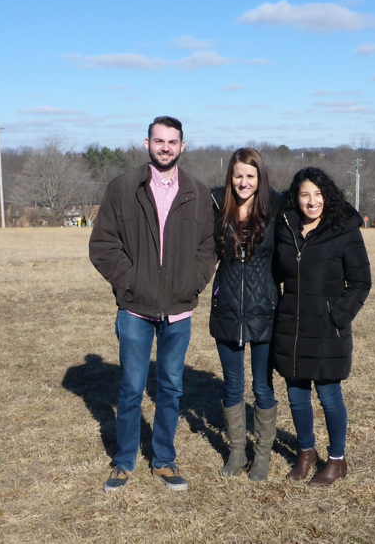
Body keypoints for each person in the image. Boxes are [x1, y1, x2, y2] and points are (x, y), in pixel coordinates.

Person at [89, 116, 215, 493]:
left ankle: (163, 459)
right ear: (146, 143)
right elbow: (103, 245)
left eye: (172, 141)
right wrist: (131, 283)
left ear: (182, 146)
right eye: (159, 140)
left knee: (172, 387)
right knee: (131, 386)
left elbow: (207, 247)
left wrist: (192, 282)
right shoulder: (122, 188)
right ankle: (124, 461)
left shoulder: (196, 190)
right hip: (135, 308)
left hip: (178, 310)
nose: (165, 147)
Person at [272, 167, 371, 487]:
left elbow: (360, 282)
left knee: (329, 396)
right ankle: (305, 453)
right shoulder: (286, 227)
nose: (312, 201)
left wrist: (337, 317)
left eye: (318, 194)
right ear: (296, 198)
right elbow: (276, 272)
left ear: (327, 196)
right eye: (305, 194)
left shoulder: (343, 229)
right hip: (292, 326)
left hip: (328, 328)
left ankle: (337, 460)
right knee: (297, 395)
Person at [209, 148, 282, 481]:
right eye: (238, 175)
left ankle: (262, 456)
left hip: (264, 310)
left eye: (250, 175)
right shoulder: (215, 207)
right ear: (230, 177)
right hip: (226, 310)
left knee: (263, 388)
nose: (243, 182)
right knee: (232, 387)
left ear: (259, 178)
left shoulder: (276, 208)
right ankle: (237, 454)